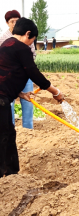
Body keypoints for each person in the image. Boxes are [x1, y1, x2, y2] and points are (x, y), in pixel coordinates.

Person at [0, 18, 65, 177]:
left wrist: (20, 94)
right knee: (3, 136)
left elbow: (7, 73)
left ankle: (11, 174)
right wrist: (55, 91)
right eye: (32, 40)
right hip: (1, 99)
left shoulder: (6, 44)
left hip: (4, 97)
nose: (31, 44)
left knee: (8, 133)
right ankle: (4, 176)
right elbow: (33, 73)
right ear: (28, 34)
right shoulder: (22, 48)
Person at [0, 10, 36, 130]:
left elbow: (32, 55)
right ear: (7, 23)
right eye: (12, 21)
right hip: (9, 77)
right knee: (8, 102)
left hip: (25, 75)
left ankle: (28, 129)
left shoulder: (27, 35)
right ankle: (10, 127)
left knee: (28, 101)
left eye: (17, 21)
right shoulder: (3, 38)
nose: (15, 23)